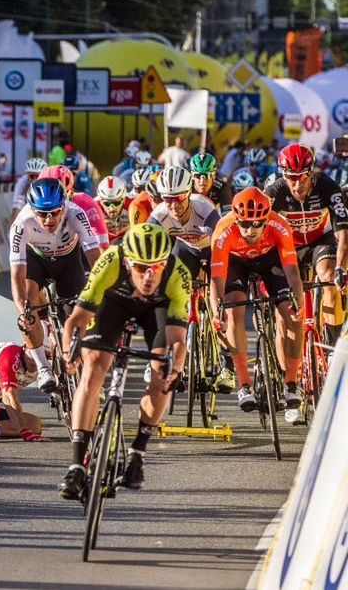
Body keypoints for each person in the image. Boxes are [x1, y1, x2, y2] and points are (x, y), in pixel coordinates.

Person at [58, 224, 189, 497]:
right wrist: (68, 352)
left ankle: (137, 453)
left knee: (161, 374)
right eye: (141, 267)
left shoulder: (178, 273)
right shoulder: (111, 260)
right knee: (92, 370)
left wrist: (174, 367)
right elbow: (76, 320)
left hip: (158, 309)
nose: (149, 275)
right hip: (113, 303)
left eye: (157, 266)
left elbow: (177, 339)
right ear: (128, 261)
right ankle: (76, 466)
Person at [208, 187, 304, 415]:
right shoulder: (223, 230)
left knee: (292, 315)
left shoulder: (279, 225)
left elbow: (292, 273)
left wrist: (299, 304)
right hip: (236, 262)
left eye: (257, 223)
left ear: (266, 219)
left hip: (270, 259)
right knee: (232, 311)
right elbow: (217, 280)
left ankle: (291, 382)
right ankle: (244, 384)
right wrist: (216, 311)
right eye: (245, 224)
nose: (251, 229)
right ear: (236, 218)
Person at [9, 177, 102, 392]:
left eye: (55, 211)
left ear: (64, 206)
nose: (49, 219)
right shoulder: (21, 224)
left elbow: (95, 257)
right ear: (32, 210)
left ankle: (85, 370)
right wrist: (22, 312)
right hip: (37, 261)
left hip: (69, 261)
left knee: (78, 316)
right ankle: (43, 367)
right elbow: (16, 276)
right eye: (42, 213)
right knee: (29, 302)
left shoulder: (76, 213)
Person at [264, 144, 348, 376]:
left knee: (330, 278)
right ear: (283, 175)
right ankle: (290, 385)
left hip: (319, 241)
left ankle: (331, 349)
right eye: (292, 178)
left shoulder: (328, 187)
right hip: (288, 248)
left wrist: (341, 267)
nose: (298, 184)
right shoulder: (274, 193)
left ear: (311, 172)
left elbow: (343, 235)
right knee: (285, 316)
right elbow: (260, 234)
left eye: (303, 177)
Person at [147, 166, 220, 282]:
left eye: (179, 197)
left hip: (210, 248)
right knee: (173, 283)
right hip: (186, 248)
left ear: (189, 193)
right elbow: (146, 248)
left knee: (219, 284)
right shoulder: (158, 215)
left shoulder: (205, 210)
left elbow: (220, 245)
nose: (174, 205)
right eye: (168, 199)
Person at [40, 164, 108, 248]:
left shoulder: (86, 203)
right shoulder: (28, 212)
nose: (54, 204)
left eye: (61, 197)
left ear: (71, 192)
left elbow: (102, 245)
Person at [95, 176, 130, 245]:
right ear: (101, 201)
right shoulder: (93, 207)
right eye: (107, 203)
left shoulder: (132, 203)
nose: (112, 208)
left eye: (116, 203)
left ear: (124, 199)